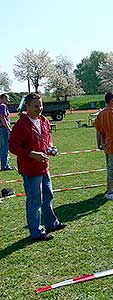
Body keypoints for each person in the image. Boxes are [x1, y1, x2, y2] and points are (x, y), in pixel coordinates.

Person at [9, 93, 66, 242]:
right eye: (35, 106)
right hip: (30, 169)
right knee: (35, 201)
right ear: (27, 106)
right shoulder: (21, 125)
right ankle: (36, 231)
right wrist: (31, 154)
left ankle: (52, 223)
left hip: (44, 167)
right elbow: (13, 147)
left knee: (48, 196)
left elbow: (48, 139)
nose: (39, 108)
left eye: (41, 105)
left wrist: (51, 148)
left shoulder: (44, 121)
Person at [0, 94, 13, 171]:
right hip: (3, 129)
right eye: (7, 99)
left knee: (1, 147)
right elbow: (2, 117)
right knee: (5, 147)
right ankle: (5, 166)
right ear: (2, 98)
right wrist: (8, 128)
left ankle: (4, 165)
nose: (8, 101)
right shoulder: (3, 106)